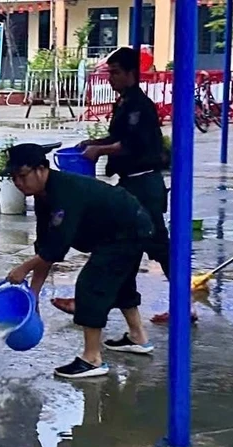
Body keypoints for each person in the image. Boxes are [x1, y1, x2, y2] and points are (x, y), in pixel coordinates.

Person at [2, 143, 155, 378]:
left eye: (23, 176)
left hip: (129, 228)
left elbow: (56, 248)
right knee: (120, 282)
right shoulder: (43, 197)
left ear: (42, 169)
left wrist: (23, 268)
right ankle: (138, 337)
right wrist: (32, 298)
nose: (19, 183)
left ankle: (92, 358)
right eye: (14, 178)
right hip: (119, 231)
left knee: (91, 285)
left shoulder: (64, 193)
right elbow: (45, 248)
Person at [76, 47, 191, 324]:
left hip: (144, 183)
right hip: (130, 183)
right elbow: (116, 136)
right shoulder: (124, 103)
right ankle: (114, 303)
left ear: (130, 73)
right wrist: (92, 144)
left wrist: (99, 152)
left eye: (116, 73)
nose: (111, 79)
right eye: (109, 73)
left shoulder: (140, 105)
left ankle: (183, 305)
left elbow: (130, 144)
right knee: (125, 243)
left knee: (158, 245)